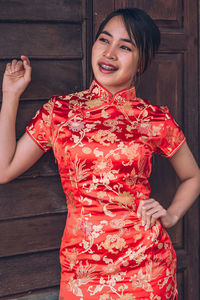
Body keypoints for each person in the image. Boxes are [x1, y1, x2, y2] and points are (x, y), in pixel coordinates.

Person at [0, 7, 199, 300]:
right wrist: (11, 96)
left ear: (142, 62)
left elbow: (193, 176)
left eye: (125, 47)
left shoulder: (154, 118)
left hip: (147, 266)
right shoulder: (59, 111)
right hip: (82, 268)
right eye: (104, 40)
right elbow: (4, 169)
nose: (109, 53)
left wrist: (170, 215)